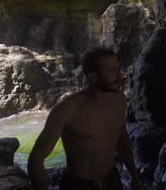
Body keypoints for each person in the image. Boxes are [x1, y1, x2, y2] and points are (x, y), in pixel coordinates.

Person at [28, 48, 142, 190]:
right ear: (93, 77)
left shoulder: (119, 100)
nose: (120, 75)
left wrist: (134, 175)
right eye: (112, 70)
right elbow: (36, 158)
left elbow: (122, 138)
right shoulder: (67, 110)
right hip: (79, 185)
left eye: (118, 68)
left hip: (111, 180)